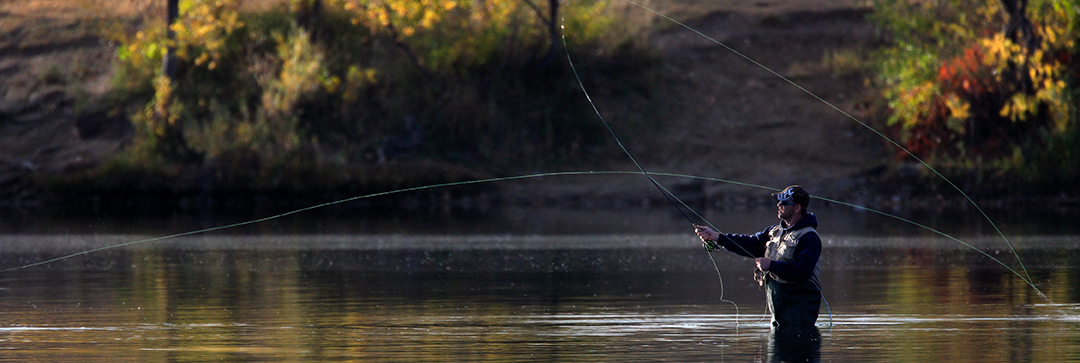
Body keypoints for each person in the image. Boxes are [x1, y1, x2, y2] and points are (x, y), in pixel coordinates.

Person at [695, 185, 822, 328]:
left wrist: (771, 265)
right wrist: (716, 237)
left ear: (797, 208)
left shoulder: (809, 237)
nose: (779, 205)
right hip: (779, 315)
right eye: (779, 202)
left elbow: (802, 271)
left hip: (799, 316)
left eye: (784, 203)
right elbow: (749, 244)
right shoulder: (774, 232)